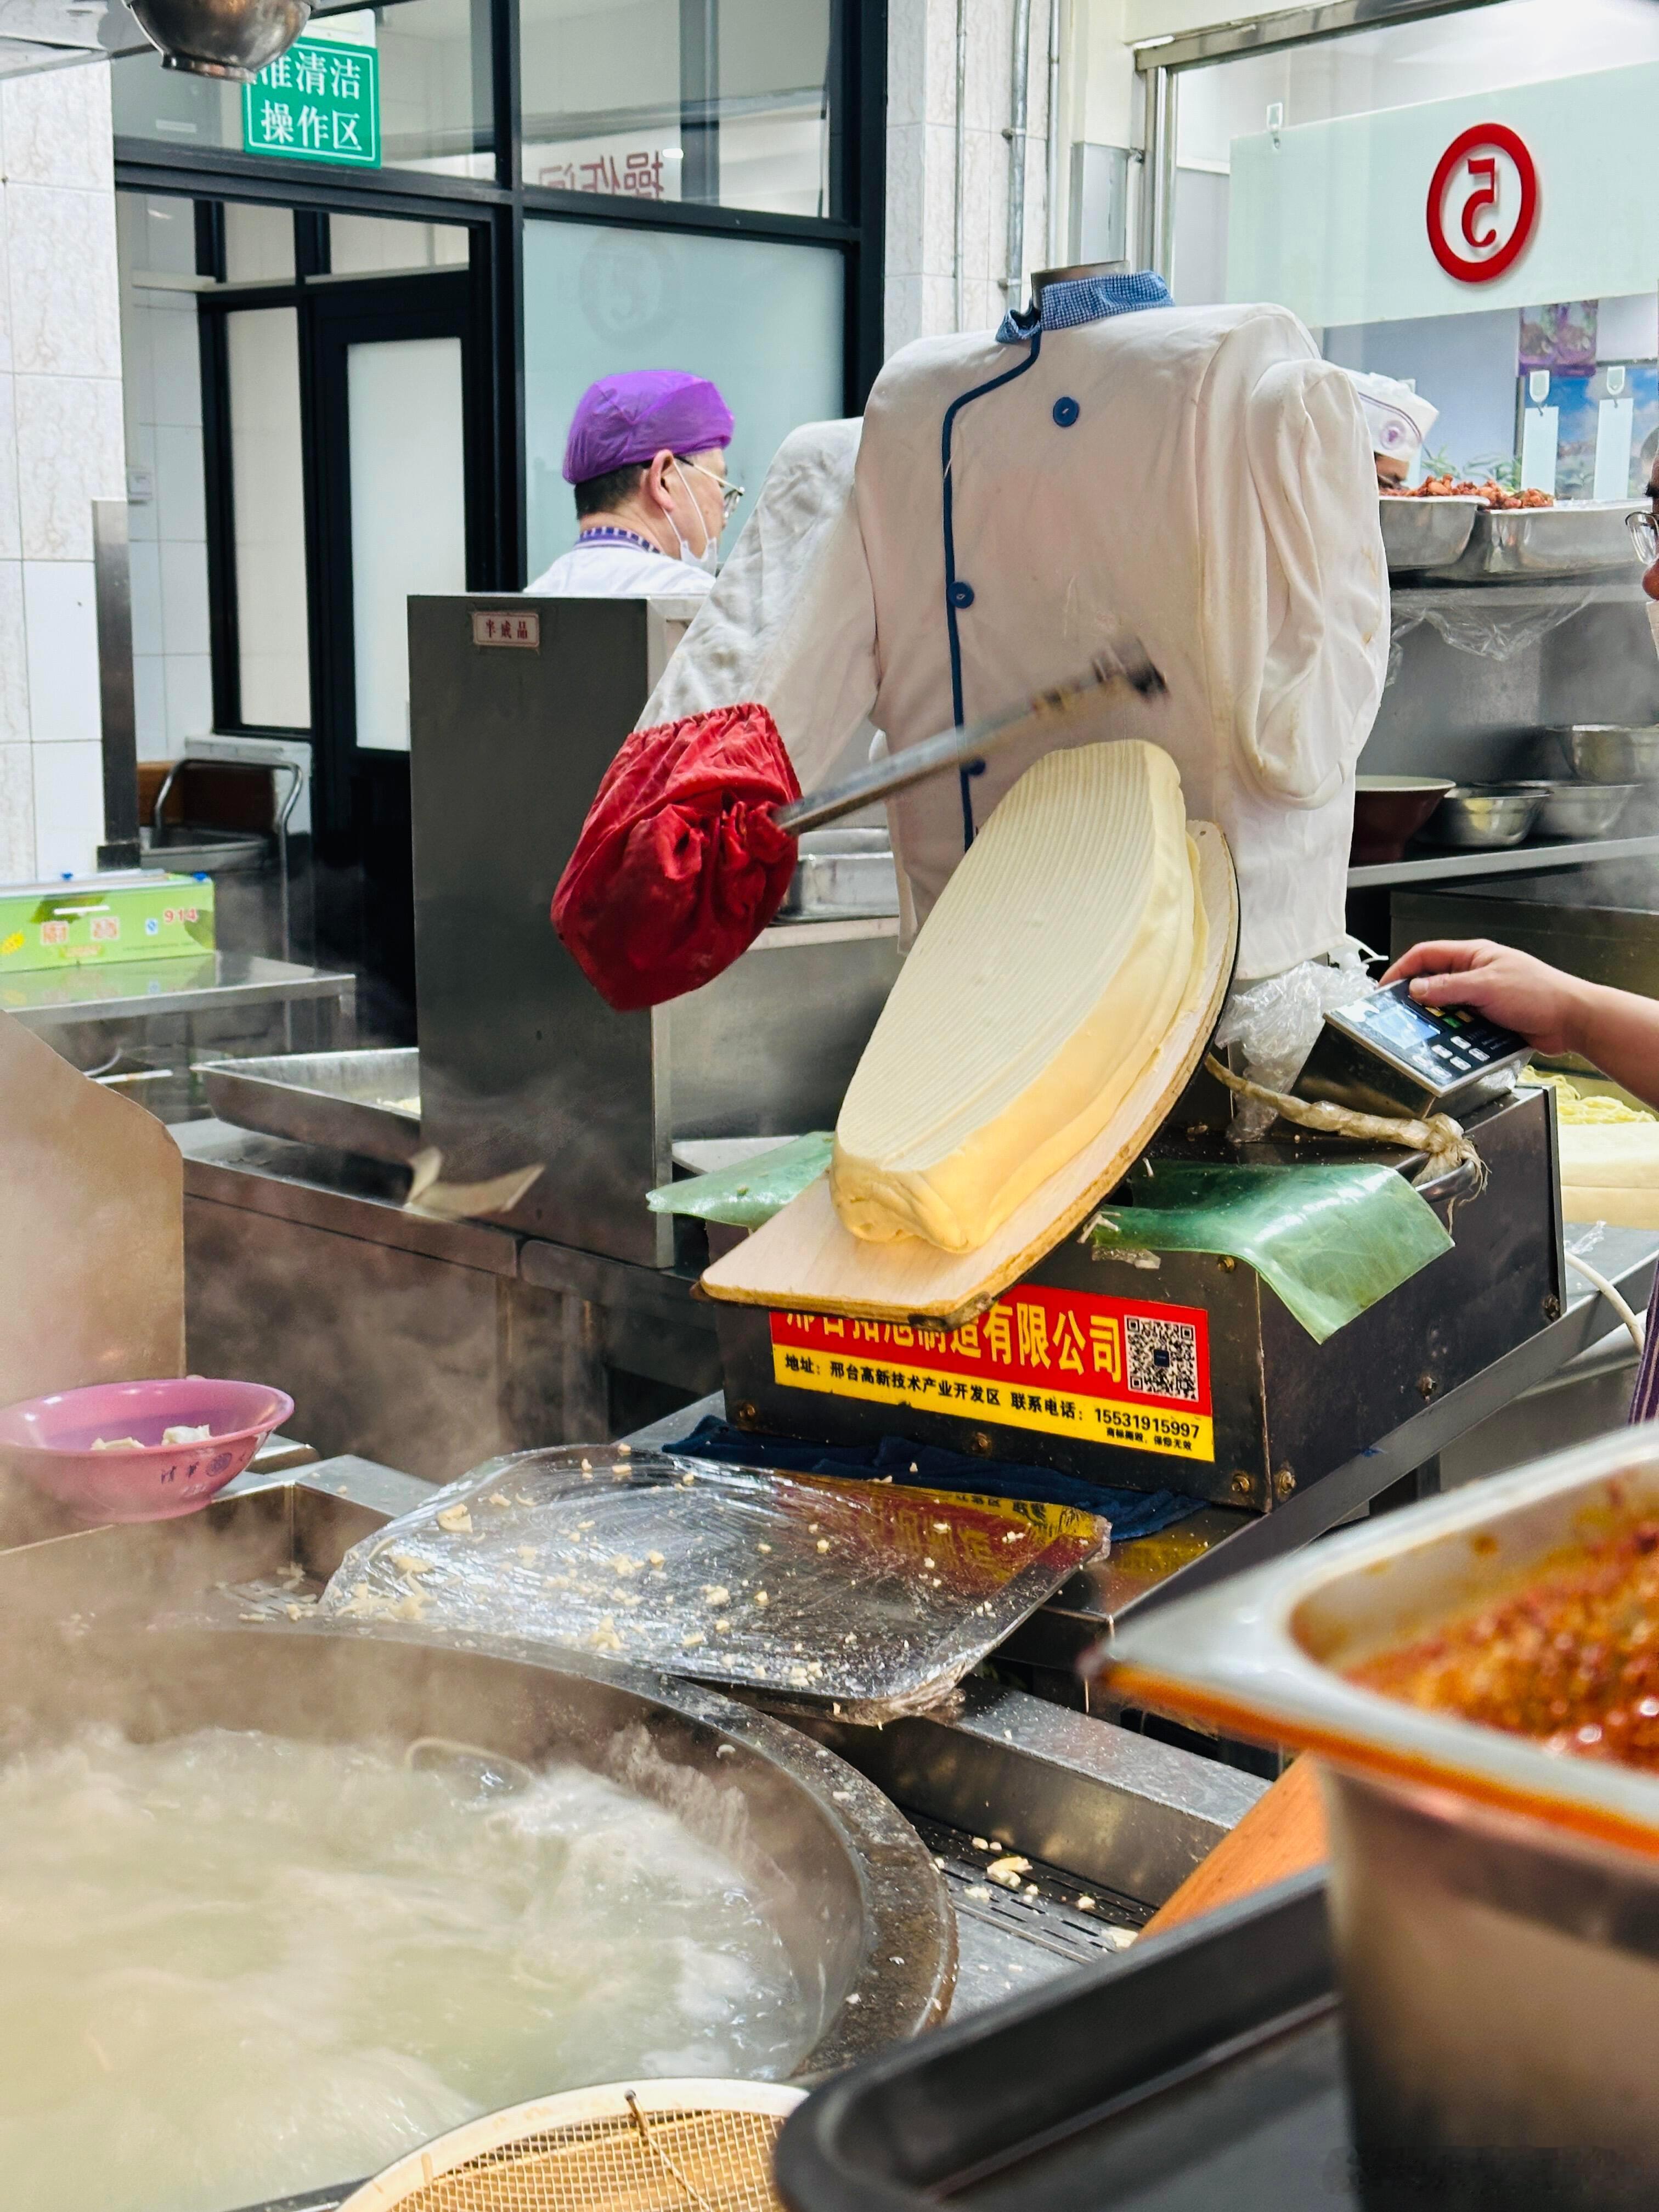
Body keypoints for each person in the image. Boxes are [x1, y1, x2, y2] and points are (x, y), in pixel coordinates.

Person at [526, 370, 741, 599]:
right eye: (720, 484)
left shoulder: (538, 594)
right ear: (663, 480)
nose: (724, 520)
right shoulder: (695, 598)